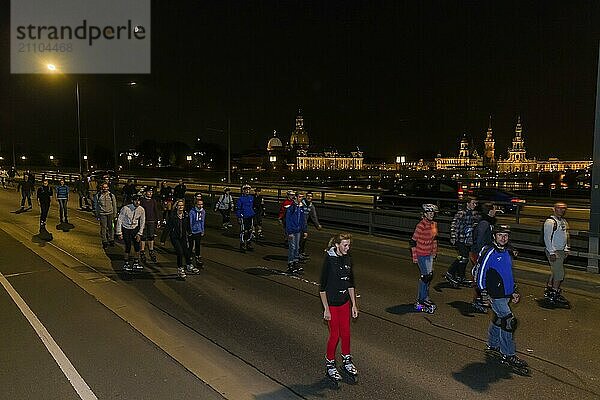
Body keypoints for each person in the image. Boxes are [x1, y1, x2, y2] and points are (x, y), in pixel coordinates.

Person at [474, 224, 528, 370]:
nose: (503, 238)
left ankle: (492, 345)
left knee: (499, 319)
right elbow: (480, 273)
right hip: (495, 295)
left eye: (505, 235)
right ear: (494, 236)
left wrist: (513, 291)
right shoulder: (490, 252)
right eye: (500, 235)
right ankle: (508, 354)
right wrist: (484, 294)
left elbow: (507, 275)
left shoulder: (506, 252)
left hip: (505, 294)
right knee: (509, 321)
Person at [319, 233, 359, 384]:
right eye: (345, 245)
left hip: (344, 302)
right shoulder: (329, 260)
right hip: (332, 304)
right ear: (337, 245)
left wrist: (354, 304)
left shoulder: (348, 258)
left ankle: (347, 360)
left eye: (349, 245)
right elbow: (322, 288)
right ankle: (330, 363)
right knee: (335, 335)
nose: (348, 248)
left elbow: (351, 283)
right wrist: (326, 309)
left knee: (346, 333)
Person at [409, 204, 438, 314]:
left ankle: (425, 297)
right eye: (429, 213)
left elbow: (434, 239)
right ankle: (420, 300)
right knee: (425, 276)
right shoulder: (420, 225)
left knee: (429, 277)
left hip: (429, 254)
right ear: (425, 214)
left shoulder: (434, 224)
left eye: (433, 213)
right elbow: (412, 241)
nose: (431, 215)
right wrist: (415, 257)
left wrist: (434, 252)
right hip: (421, 253)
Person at [471, 202, 499, 312]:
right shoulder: (484, 223)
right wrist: (481, 255)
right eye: (494, 209)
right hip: (480, 254)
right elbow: (480, 239)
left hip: (483, 253)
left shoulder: (487, 222)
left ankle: (481, 299)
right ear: (490, 211)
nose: (496, 211)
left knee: (484, 277)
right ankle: (478, 300)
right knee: (480, 278)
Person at [445, 196, 479, 287]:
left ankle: (461, 276)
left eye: (476, 203)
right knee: (463, 256)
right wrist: (453, 236)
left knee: (464, 258)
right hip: (460, 238)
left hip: (468, 239)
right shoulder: (461, 213)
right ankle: (450, 272)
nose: (475, 205)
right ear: (467, 203)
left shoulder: (474, 213)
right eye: (473, 203)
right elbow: (454, 224)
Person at [162, 199, 199, 279]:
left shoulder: (185, 215)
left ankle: (189, 265)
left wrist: (190, 233)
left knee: (186, 252)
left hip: (183, 237)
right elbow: (167, 227)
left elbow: (188, 226)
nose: (181, 207)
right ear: (176, 207)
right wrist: (163, 239)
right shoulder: (173, 216)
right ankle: (180, 268)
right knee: (180, 252)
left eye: (182, 205)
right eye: (179, 205)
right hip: (175, 237)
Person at [543, 202, 571, 306]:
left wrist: (566, 248)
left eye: (564, 208)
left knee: (555, 271)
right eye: (559, 208)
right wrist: (551, 252)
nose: (562, 210)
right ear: (554, 209)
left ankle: (550, 288)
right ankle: (554, 293)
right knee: (559, 273)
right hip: (554, 251)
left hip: (561, 251)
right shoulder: (550, 222)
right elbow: (547, 237)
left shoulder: (563, 221)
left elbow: (566, 235)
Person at [116, 194, 145, 272]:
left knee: (137, 246)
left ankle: (136, 262)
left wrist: (140, 233)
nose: (137, 202)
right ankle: (126, 263)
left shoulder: (141, 210)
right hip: (126, 228)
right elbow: (120, 220)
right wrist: (119, 232)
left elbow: (142, 221)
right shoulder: (125, 208)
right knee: (128, 246)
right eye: (136, 200)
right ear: (132, 201)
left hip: (134, 229)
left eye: (139, 201)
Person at [285, 192, 307, 273]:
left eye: (302, 197)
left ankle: (295, 262)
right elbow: (288, 220)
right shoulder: (291, 207)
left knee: (297, 247)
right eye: (300, 197)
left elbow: (302, 220)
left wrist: (304, 230)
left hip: (298, 230)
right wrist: (289, 231)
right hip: (292, 230)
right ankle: (290, 263)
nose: (301, 198)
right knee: (292, 247)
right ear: (296, 197)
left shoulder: (300, 207)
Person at [139, 186, 160, 263]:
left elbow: (156, 211)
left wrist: (157, 221)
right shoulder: (142, 200)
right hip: (144, 221)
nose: (150, 193)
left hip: (151, 221)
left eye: (151, 192)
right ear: (145, 193)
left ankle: (151, 250)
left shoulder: (153, 201)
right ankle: (142, 251)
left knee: (151, 236)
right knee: (143, 237)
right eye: (149, 192)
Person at [93, 182, 118, 249]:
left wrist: (115, 214)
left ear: (108, 188)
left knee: (111, 227)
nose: (105, 188)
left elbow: (114, 205)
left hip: (110, 214)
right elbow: (96, 206)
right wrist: (97, 214)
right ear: (102, 188)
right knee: (103, 228)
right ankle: (105, 241)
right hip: (102, 214)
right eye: (104, 187)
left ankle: (111, 239)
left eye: (106, 187)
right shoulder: (98, 195)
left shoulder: (111, 195)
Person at [299, 191, 322, 260]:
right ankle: (298, 255)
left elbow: (313, 216)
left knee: (304, 239)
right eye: (308, 196)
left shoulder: (311, 206)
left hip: (304, 225)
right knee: (300, 239)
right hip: (298, 224)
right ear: (305, 197)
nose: (309, 197)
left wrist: (317, 225)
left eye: (311, 196)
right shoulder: (300, 204)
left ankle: (301, 253)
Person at [236, 184, 256, 252]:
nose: (247, 191)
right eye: (246, 190)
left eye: (248, 190)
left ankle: (248, 242)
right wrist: (239, 216)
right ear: (243, 191)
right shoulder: (240, 199)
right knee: (243, 230)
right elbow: (238, 208)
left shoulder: (251, 197)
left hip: (250, 215)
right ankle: (242, 243)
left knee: (250, 230)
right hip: (243, 216)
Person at [189, 193, 205, 268]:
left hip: (198, 230)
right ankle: (189, 257)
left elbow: (202, 221)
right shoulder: (192, 212)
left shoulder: (203, 212)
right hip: (192, 231)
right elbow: (190, 221)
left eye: (201, 204)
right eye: (199, 204)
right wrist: (190, 230)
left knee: (198, 244)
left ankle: (198, 256)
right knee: (191, 245)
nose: (200, 206)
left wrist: (202, 230)